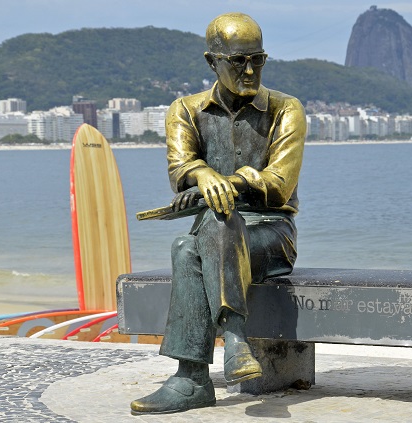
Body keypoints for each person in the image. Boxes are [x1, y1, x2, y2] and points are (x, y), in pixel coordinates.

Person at [130, 12, 306, 415]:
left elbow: (279, 182)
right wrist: (203, 174)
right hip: (215, 234)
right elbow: (180, 168)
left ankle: (194, 375)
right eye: (237, 61)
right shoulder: (186, 110)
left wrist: (232, 183)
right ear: (213, 62)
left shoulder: (286, 110)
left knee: (203, 231)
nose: (249, 70)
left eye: (257, 59)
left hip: (271, 235)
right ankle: (228, 350)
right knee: (188, 243)